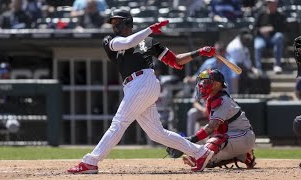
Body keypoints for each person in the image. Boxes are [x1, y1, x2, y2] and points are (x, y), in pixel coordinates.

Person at [67, 8, 217, 174]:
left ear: (128, 22)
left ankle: (91, 161)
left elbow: (176, 62)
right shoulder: (110, 40)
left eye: (118, 21)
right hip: (134, 86)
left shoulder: (148, 41)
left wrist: (199, 52)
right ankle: (201, 152)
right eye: (113, 22)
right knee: (157, 133)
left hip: (144, 81)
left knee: (119, 123)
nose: (114, 25)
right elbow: (128, 43)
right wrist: (150, 29)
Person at [168, 69, 256, 169]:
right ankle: (244, 156)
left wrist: (190, 140)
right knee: (208, 162)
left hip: (242, 136)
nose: (203, 84)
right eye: (203, 82)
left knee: (215, 141)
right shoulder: (212, 98)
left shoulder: (222, 99)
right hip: (235, 139)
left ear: (218, 84)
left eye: (207, 82)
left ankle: (202, 157)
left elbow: (212, 126)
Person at [253, 0, 287, 74]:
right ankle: (258, 68)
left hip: (273, 38)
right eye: (271, 3)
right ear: (267, 4)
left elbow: (284, 29)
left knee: (279, 36)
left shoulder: (280, 15)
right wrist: (261, 30)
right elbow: (254, 28)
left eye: (274, 3)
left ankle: (277, 65)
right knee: (258, 46)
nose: (272, 5)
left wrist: (272, 29)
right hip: (261, 38)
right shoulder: (261, 14)